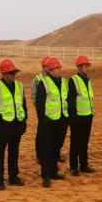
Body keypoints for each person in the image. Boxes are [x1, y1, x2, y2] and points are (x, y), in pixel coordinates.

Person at [0, 59, 28, 190]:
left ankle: (13, 177)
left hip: (16, 126)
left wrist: (24, 119)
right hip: (2, 127)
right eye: (11, 73)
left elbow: (23, 104)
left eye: (15, 72)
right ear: (4, 73)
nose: (14, 75)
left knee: (14, 152)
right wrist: (0, 120)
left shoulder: (19, 86)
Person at [35, 57, 69, 187]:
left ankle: (54, 171)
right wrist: (43, 120)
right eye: (57, 68)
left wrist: (67, 118)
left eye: (60, 67)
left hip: (62, 120)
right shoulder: (43, 83)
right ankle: (45, 175)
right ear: (50, 70)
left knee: (56, 147)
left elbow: (67, 100)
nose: (60, 70)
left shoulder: (64, 82)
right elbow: (40, 104)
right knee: (47, 148)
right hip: (49, 122)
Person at [67, 55, 95, 176]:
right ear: (79, 67)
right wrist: (73, 117)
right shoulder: (74, 80)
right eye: (85, 66)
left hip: (88, 116)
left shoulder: (88, 80)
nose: (88, 68)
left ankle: (84, 165)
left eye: (88, 66)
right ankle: (73, 167)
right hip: (77, 118)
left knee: (84, 142)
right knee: (75, 143)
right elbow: (71, 101)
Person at [31, 56, 51, 164]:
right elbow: (34, 97)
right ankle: (39, 155)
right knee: (41, 133)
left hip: (54, 112)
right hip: (43, 112)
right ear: (43, 67)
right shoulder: (37, 79)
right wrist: (40, 110)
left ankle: (55, 154)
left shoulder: (55, 78)